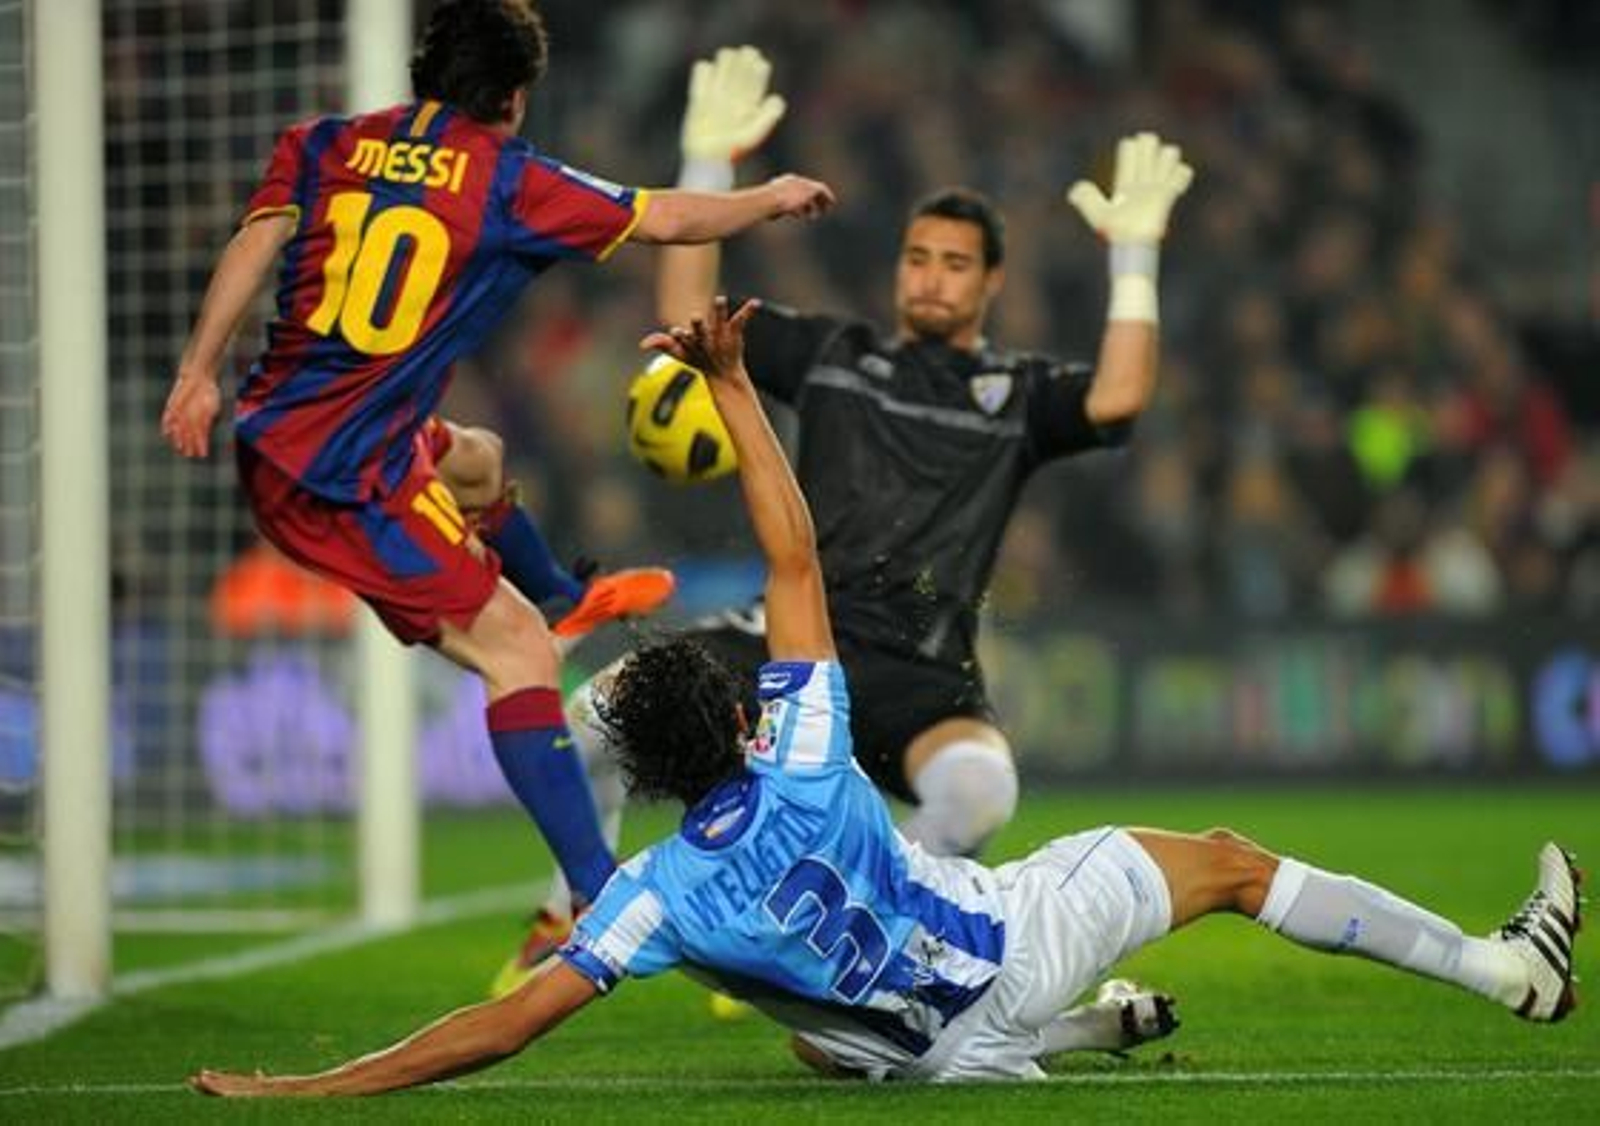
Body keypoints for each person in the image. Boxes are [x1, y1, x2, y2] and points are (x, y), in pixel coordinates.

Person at [190, 297, 1581, 1097]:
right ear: (740, 720)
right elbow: (796, 555)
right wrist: (737, 387)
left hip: (920, 1062)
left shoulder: (656, 896)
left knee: (816, 1023)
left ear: (663, 776)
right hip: (1010, 948)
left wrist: (309, 1087)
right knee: (1225, 863)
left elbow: (502, 1024)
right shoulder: (802, 748)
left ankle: (1085, 1030)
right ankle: (1502, 967)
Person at [498, 47, 1193, 985]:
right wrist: (706, 162)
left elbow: (1118, 397)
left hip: (922, 668)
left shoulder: (1016, 394)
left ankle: (855, 939)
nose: (932, 277)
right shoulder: (835, 354)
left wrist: (1136, 255)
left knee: (979, 790)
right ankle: (572, 903)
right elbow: (690, 313)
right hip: (793, 637)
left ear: (990, 284)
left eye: (956, 264)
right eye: (919, 258)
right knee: (594, 718)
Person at [159, 2, 834, 915]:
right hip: (337, 478)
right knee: (515, 654)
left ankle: (560, 595)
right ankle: (596, 896)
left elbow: (254, 242)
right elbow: (666, 218)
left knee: (477, 459)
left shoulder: (324, 143)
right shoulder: (508, 180)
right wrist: (769, 195)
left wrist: (198, 373)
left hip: (304, 428)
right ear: (513, 98)